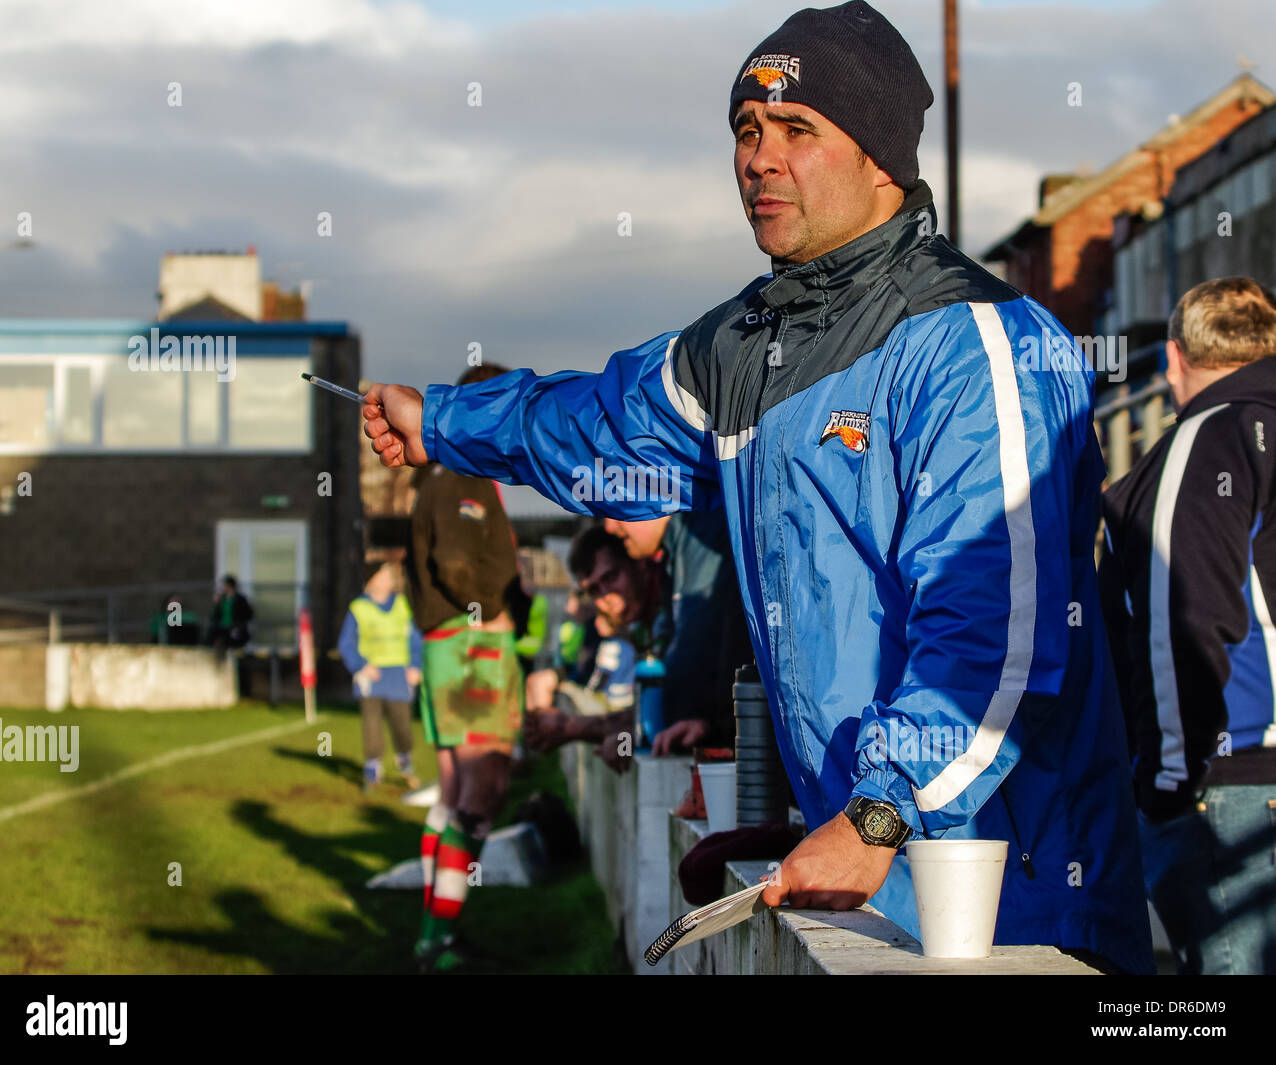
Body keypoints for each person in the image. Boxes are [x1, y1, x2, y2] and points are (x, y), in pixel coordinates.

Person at [363, 2, 1153, 972]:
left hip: (1012, 895)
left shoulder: (978, 343)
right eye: (745, 129)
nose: (759, 158)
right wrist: (441, 422)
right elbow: (598, 420)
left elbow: (995, 629)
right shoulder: (741, 346)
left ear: (881, 159)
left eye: (796, 131)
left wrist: (878, 812)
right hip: (858, 879)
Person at [1099, 277, 1276, 974]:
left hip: (1234, 781)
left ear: (1172, 359)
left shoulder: (1206, 442)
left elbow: (1185, 616)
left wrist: (1173, 782)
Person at [405, 362, 525, 972]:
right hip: (471, 646)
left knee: (454, 794)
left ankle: (433, 935)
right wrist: (494, 613)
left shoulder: (445, 475)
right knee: (483, 790)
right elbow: (455, 563)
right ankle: (438, 938)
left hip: (449, 646)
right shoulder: (461, 474)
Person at [603, 511, 754, 754]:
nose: (609, 525)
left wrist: (714, 727)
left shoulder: (704, 536)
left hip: (729, 751)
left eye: (614, 504)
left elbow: (711, 652)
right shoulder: (677, 548)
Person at [524, 526, 661, 772]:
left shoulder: (670, 608)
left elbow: (678, 707)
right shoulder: (640, 625)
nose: (607, 595)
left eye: (611, 577)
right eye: (595, 590)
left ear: (638, 563)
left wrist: (575, 727)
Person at [337, 560, 423, 794]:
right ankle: (372, 771)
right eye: (385, 574)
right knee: (372, 726)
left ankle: (406, 764)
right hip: (371, 678)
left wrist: (416, 666)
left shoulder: (403, 605)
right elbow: (346, 643)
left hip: (399, 675)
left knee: (402, 726)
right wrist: (361, 665)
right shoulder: (358, 608)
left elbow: (415, 639)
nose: (390, 578)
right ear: (372, 579)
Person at [206, 575, 252, 651]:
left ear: (230, 586)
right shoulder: (222, 599)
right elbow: (214, 616)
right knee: (212, 635)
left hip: (234, 627)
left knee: (234, 638)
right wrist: (217, 604)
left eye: (225, 585)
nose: (223, 587)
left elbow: (248, 614)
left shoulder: (240, 599)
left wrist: (239, 623)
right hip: (222, 627)